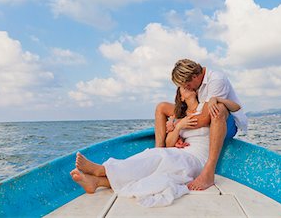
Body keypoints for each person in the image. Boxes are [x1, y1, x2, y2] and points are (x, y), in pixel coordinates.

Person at [70, 87, 241, 207]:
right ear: (180, 97)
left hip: (197, 159)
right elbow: (168, 144)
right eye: (182, 87)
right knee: (152, 164)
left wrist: (216, 98)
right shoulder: (179, 117)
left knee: (161, 158)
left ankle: (102, 170)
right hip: (180, 153)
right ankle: (96, 181)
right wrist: (179, 126)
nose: (186, 87)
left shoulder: (206, 107)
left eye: (188, 85)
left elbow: (236, 107)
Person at [154, 59, 247, 191]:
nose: (188, 88)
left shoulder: (216, 80)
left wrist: (177, 124)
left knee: (218, 109)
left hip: (228, 124)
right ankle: (158, 150)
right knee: (161, 107)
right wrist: (176, 130)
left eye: (187, 84)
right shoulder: (195, 85)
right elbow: (193, 110)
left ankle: (209, 171)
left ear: (195, 76)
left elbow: (204, 119)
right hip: (199, 115)